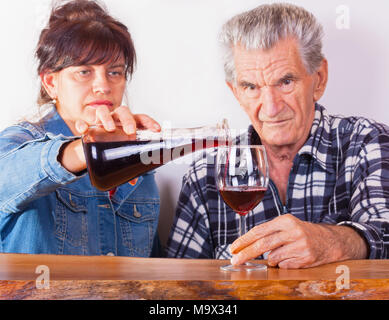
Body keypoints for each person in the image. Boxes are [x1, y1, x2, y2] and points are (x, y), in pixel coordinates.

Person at [166, 3, 389, 268]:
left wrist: (334, 242)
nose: (271, 108)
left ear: (319, 79)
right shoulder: (206, 175)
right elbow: (176, 284)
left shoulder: (365, 143)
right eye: (251, 86)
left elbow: (384, 232)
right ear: (236, 93)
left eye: (285, 82)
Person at [0, 0, 163, 257]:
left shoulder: (138, 165)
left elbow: (151, 274)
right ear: (51, 82)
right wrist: (88, 149)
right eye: (84, 71)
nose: (103, 86)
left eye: (115, 72)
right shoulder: (19, 141)